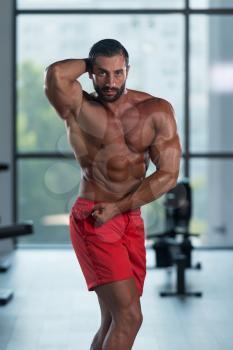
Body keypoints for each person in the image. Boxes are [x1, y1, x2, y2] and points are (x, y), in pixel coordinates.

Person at [44, 39, 181, 350]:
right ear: (91, 73)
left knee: (113, 319)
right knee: (130, 317)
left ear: (128, 70)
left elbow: (169, 175)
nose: (111, 81)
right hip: (95, 217)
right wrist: (88, 59)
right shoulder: (79, 108)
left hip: (127, 216)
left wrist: (120, 208)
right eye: (102, 73)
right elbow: (55, 74)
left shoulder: (155, 110)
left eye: (118, 73)